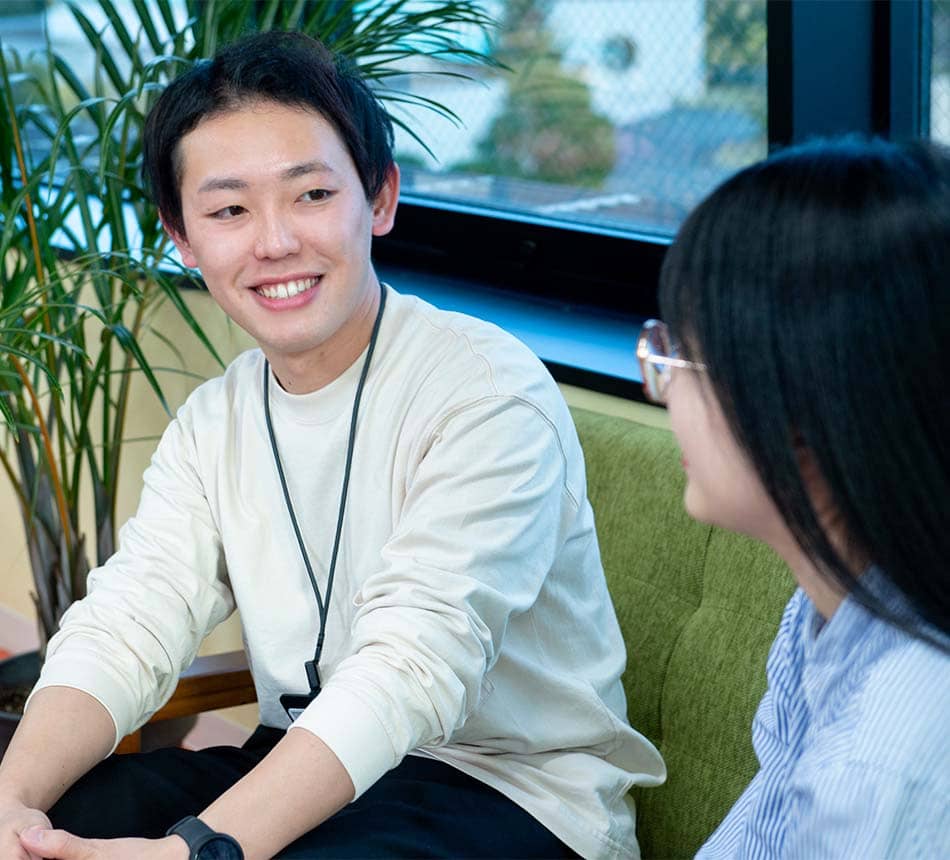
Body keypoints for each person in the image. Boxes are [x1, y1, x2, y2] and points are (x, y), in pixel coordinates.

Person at [0, 30, 664, 860]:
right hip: (304, 765)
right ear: (181, 237)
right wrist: (12, 800)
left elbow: (413, 664)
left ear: (379, 199)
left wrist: (195, 853)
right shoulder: (214, 424)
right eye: (230, 209)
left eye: (311, 194)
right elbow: (128, 623)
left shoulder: (486, 391)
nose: (275, 242)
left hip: (512, 795)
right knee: (58, 824)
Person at [636, 137, 950, 858]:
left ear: (813, 405)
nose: (665, 387)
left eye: (681, 352)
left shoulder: (883, 763)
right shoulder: (829, 600)